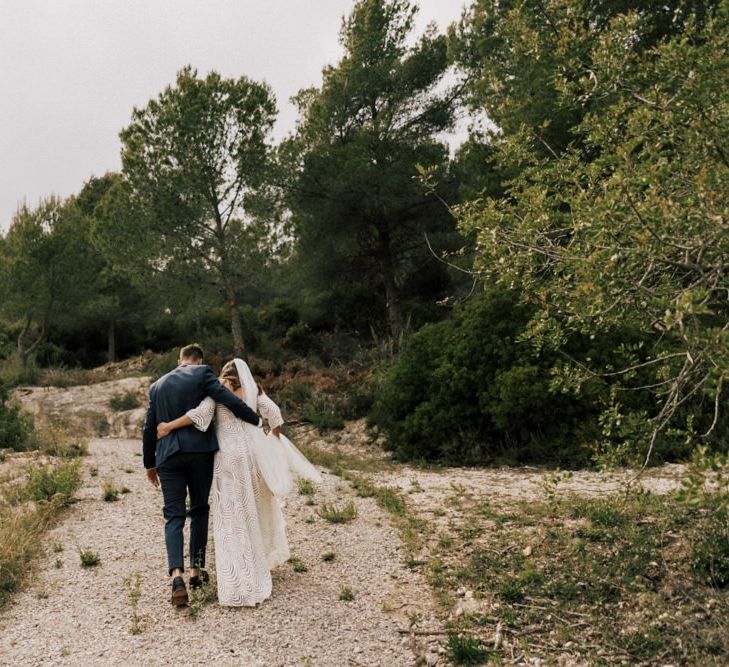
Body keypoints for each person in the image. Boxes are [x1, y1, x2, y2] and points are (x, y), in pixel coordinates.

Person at [156, 358, 321, 607]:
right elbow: (274, 415)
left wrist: (169, 426)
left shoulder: (219, 388)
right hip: (251, 455)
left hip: (227, 456)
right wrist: (271, 442)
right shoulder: (255, 390)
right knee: (251, 510)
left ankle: (237, 579)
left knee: (230, 516)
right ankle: (258, 562)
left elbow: (199, 415)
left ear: (225, 374)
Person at [142, 344, 263, 607]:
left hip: (167, 457)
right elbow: (227, 398)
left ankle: (177, 577)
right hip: (200, 454)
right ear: (199, 360)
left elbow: (149, 426)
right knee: (198, 509)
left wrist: (149, 464)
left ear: (180, 360)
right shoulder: (202, 373)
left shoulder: (157, 385)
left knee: (173, 515)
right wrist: (254, 420)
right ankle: (197, 570)